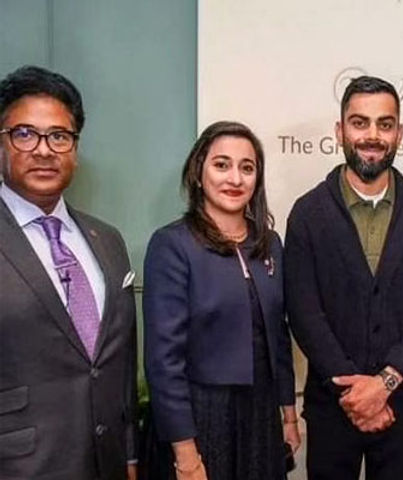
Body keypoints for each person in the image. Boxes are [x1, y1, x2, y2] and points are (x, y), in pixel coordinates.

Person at [284, 75, 403, 480]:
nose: (372, 136)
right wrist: (355, 393)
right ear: (340, 131)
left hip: (402, 409)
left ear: (400, 134)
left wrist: (385, 384)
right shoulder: (307, 214)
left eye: (385, 124)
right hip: (331, 409)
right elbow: (305, 314)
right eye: (360, 123)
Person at [0, 65, 138, 480]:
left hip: (106, 462)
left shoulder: (107, 241)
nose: (44, 150)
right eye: (25, 134)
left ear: (75, 149)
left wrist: (130, 455)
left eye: (59, 136)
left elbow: (120, 366)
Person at [143, 121, 300, 480]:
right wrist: (185, 453)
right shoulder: (172, 245)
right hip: (199, 418)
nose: (235, 178)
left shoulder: (270, 243)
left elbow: (278, 337)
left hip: (260, 416)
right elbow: (164, 361)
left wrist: (288, 415)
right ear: (199, 172)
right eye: (221, 165)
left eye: (247, 168)